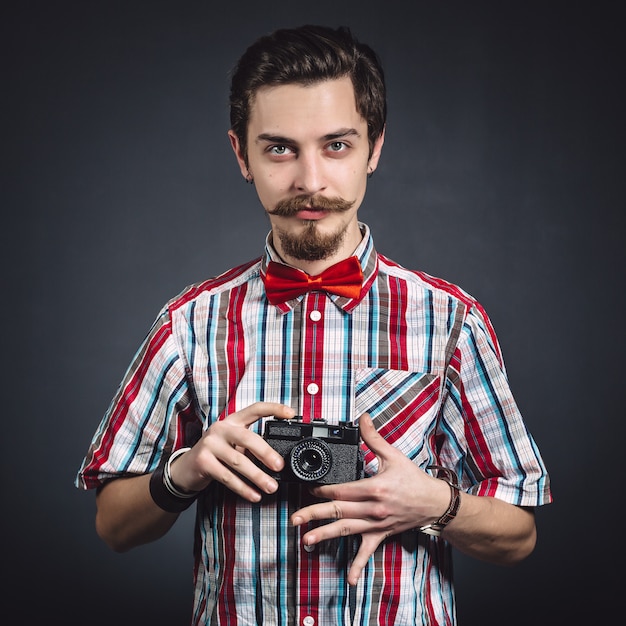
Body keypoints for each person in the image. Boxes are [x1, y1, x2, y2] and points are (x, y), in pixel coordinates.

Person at [76, 24, 552, 626]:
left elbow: (520, 534)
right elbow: (112, 526)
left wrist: (433, 503)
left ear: (374, 148)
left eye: (336, 145)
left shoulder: (451, 321)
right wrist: (189, 468)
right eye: (279, 148)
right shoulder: (188, 324)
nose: (310, 181)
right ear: (240, 155)